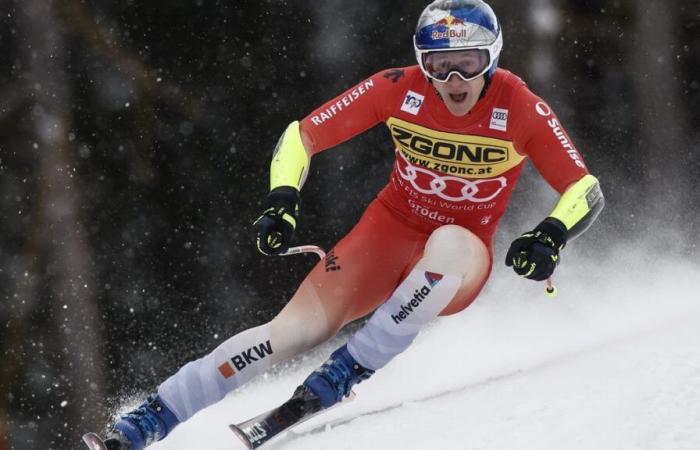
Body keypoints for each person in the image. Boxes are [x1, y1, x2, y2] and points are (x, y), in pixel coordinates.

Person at [94, 1, 604, 448]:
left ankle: (345, 372)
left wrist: (550, 235)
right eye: (439, 66)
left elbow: (585, 187)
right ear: (421, 63)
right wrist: (281, 199)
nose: (454, 82)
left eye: (467, 66)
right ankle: (150, 419)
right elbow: (302, 135)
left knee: (449, 242)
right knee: (289, 333)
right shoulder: (398, 88)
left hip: (460, 256)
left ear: (490, 59)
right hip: (386, 234)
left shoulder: (519, 106)